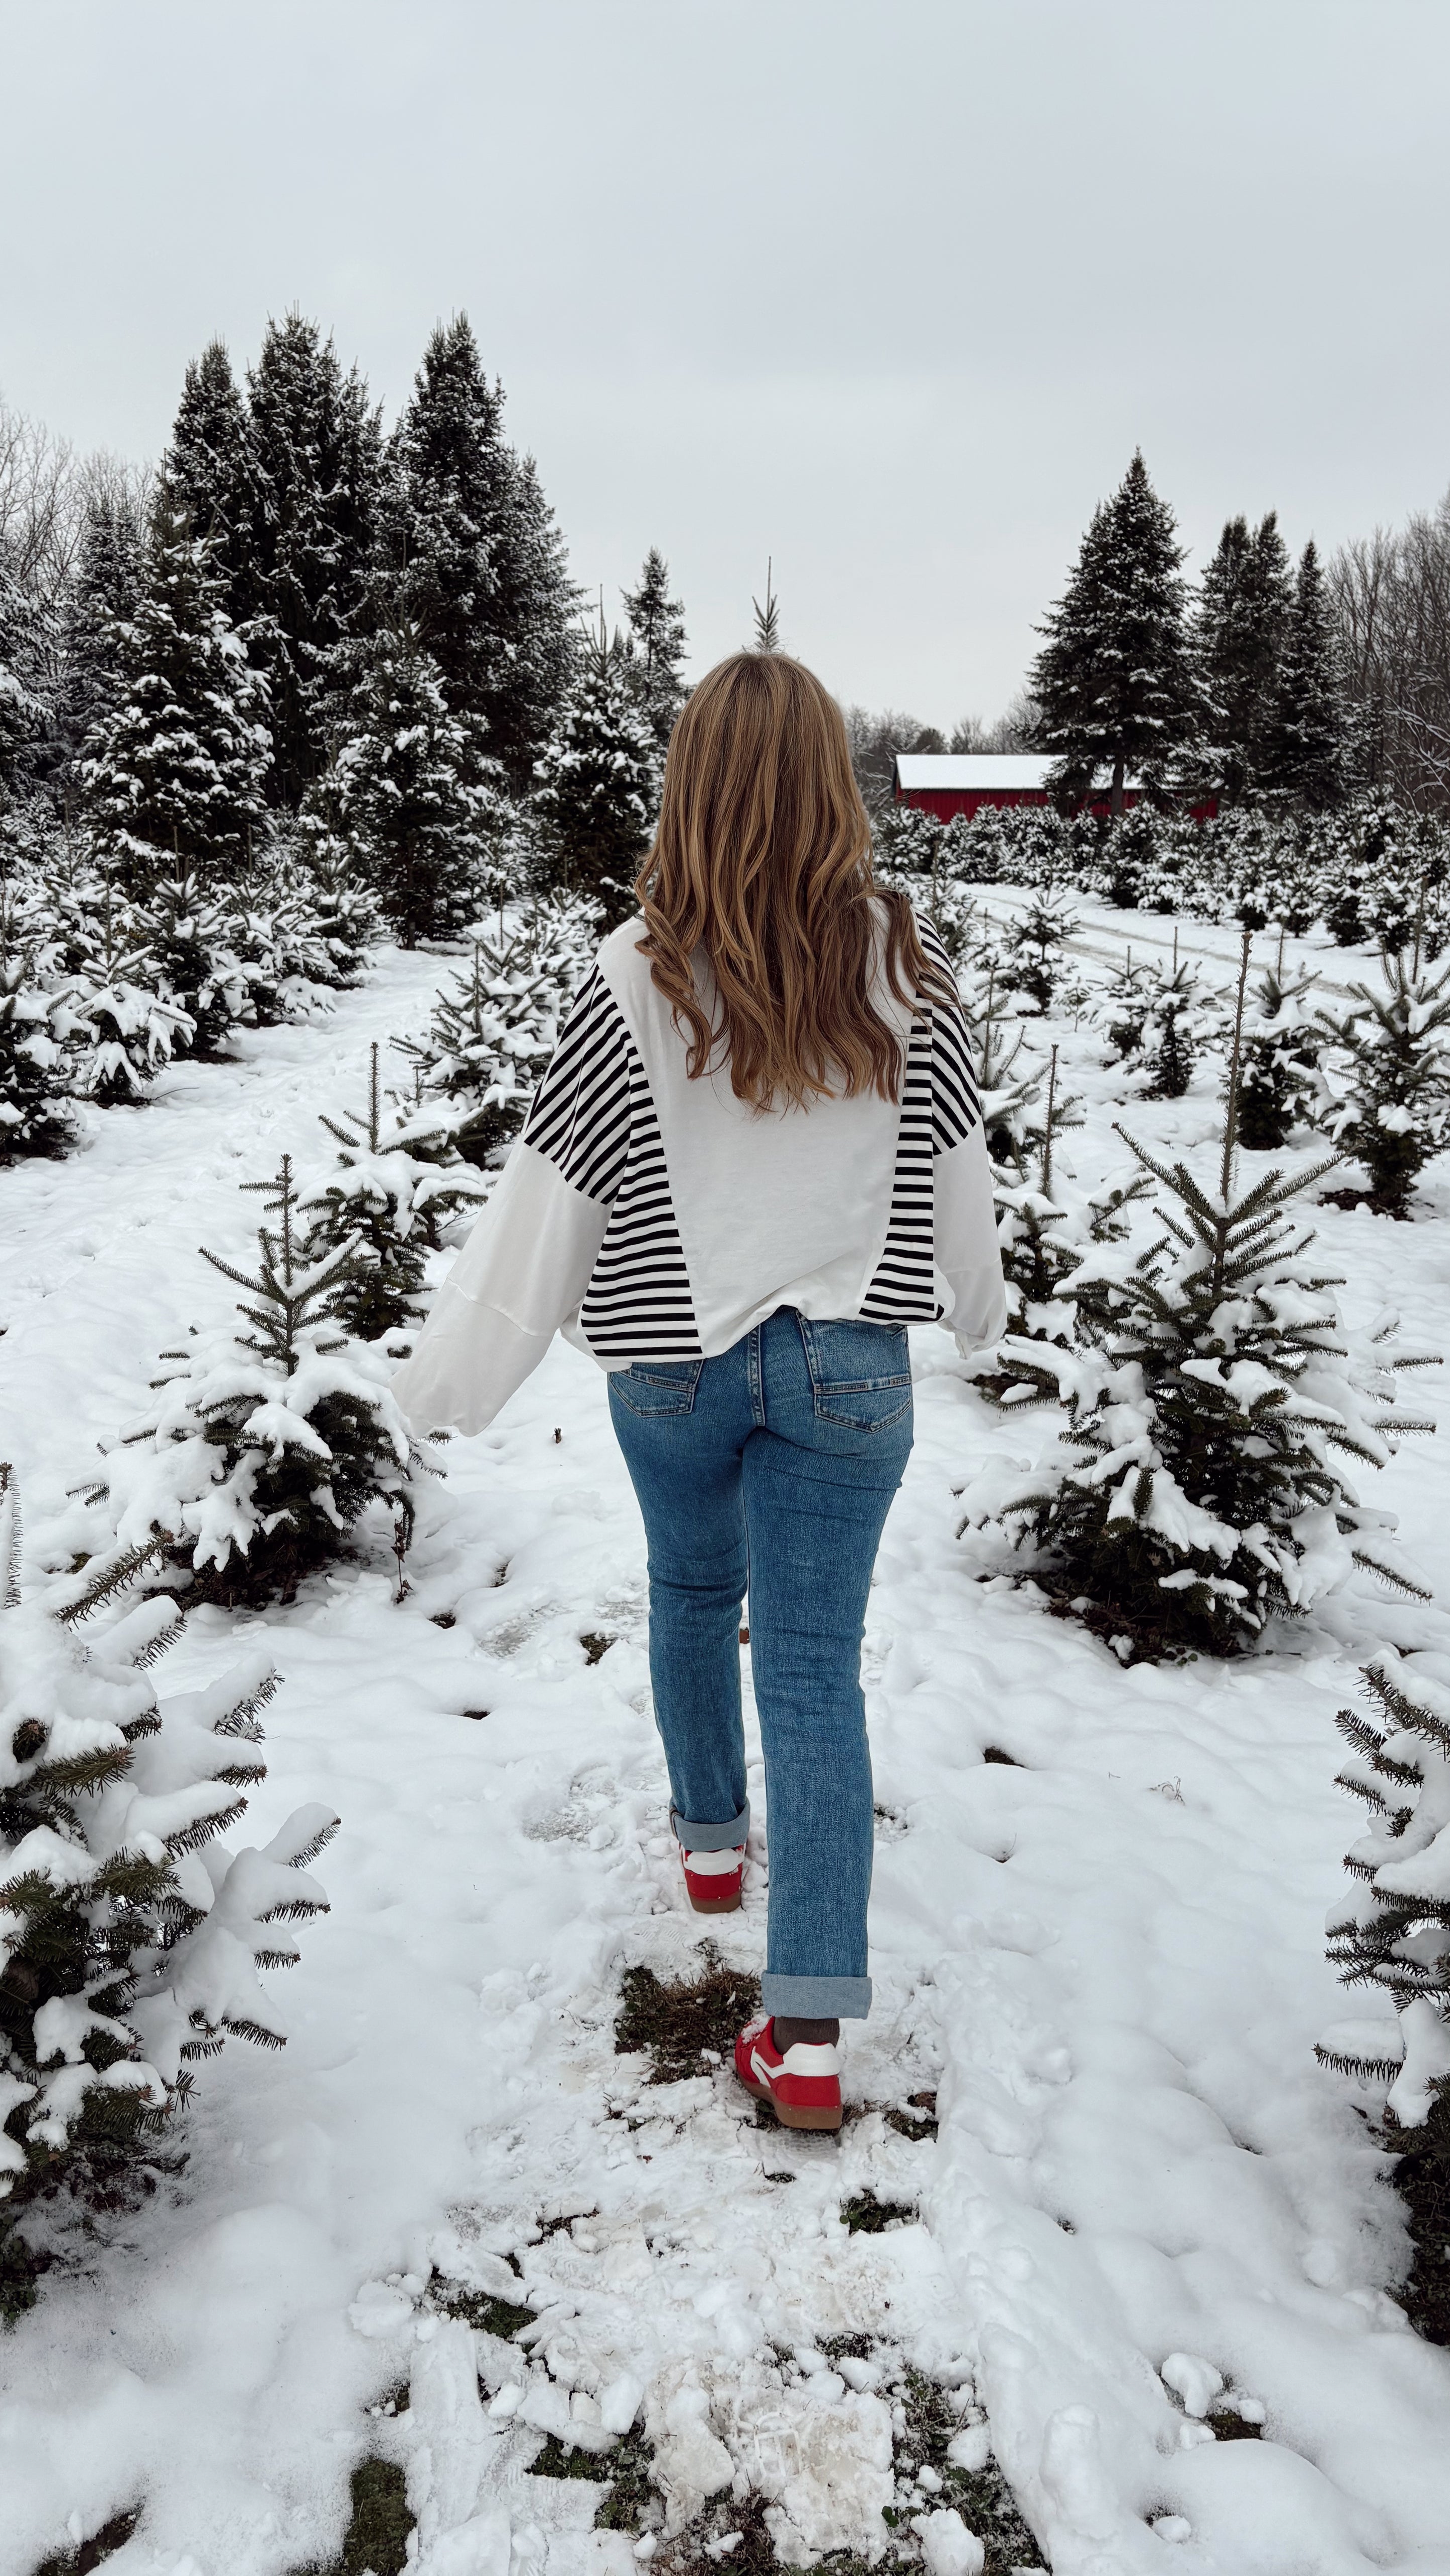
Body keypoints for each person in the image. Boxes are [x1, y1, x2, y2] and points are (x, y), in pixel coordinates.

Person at [391, 652, 1003, 2130]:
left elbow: (545, 1209)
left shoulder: (631, 975)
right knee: (812, 1666)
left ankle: (715, 1848)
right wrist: (981, 1320)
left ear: (693, 790)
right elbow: (965, 1189)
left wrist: (440, 1387)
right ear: (833, 787)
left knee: (686, 1592)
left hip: (670, 1362)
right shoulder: (909, 973)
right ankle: (804, 2041)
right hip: (853, 1368)